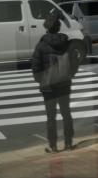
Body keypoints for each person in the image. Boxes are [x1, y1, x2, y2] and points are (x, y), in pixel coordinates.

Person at [32, 12, 76, 153]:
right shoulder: (67, 43)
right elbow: (74, 63)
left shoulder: (41, 46)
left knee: (51, 117)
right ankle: (68, 144)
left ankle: (53, 146)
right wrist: (69, 75)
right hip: (64, 84)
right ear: (58, 28)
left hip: (48, 87)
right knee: (66, 113)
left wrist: (42, 80)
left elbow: (36, 68)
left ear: (47, 29)